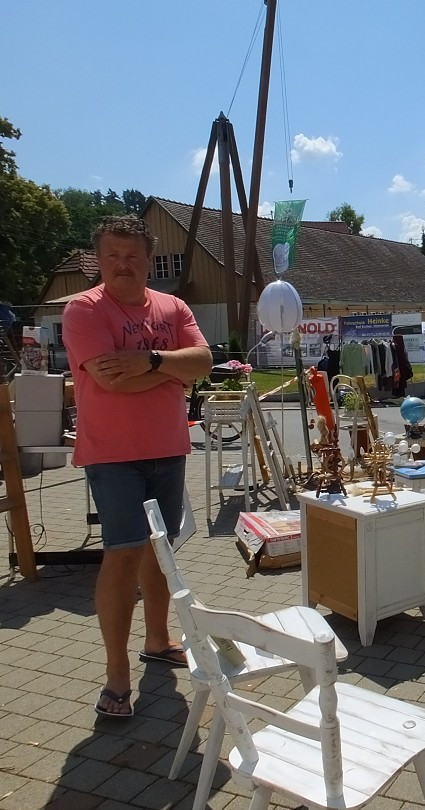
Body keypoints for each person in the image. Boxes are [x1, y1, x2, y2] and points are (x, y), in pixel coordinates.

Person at [61, 216, 212, 718]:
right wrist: (172, 371)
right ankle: (116, 675)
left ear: (150, 259)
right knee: (123, 555)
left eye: (133, 256)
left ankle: (157, 639)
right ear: (99, 260)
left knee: (161, 552)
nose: (123, 264)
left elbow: (204, 363)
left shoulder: (174, 306)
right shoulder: (84, 310)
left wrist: (147, 362)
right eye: (112, 256)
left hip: (168, 448)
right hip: (113, 455)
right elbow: (111, 383)